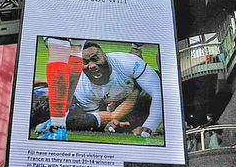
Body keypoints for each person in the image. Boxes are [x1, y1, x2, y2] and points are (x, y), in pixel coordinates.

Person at [34, 41, 163, 139]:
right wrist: (109, 123)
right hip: (116, 99)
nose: (92, 66)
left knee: (153, 87)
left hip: (132, 86)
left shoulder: (128, 63)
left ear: (106, 57)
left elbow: (159, 93)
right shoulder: (82, 90)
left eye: (96, 59)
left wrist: (150, 126)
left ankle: (136, 49)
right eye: (86, 62)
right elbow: (107, 116)